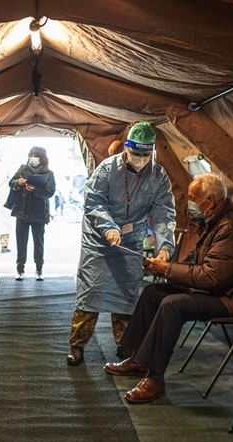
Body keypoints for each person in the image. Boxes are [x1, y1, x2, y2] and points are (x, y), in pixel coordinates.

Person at [104, 172, 233, 404]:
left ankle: (155, 378)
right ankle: (137, 358)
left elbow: (211, 277)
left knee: (173, 305)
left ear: (209, 202)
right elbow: (204, 270)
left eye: (192, 199)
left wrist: (168, 270)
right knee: (153, 293)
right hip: (220, 291)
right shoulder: (215, 222)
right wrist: (161, 268)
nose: (188, 204)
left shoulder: (231, 228)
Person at [67, 122, 176, 366]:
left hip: (131, 237)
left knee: (127, 294)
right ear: (126, 149)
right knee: (90, 292)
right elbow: (93, 203)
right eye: (136, 154)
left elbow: (164, 213)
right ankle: (77, 346)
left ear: (152, 153)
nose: (140, 159)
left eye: (145, 155)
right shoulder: (107, 170)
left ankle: (125, 345)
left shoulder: (158, 176)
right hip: (98, 238)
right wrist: (108, 228)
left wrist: (165, 247)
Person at [9, 146, 56, 281]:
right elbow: (11, 183)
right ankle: (20, 270)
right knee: (21, 242)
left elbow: (50, 192)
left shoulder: (49, 173)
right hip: (21, 211)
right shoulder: (23, 169)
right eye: (32, 155)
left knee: (39, 243)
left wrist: (34, 190)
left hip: (39, 213)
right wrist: (18, 182)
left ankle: (39, 269)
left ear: (42, 158)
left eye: (36, 155)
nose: (33, 158)